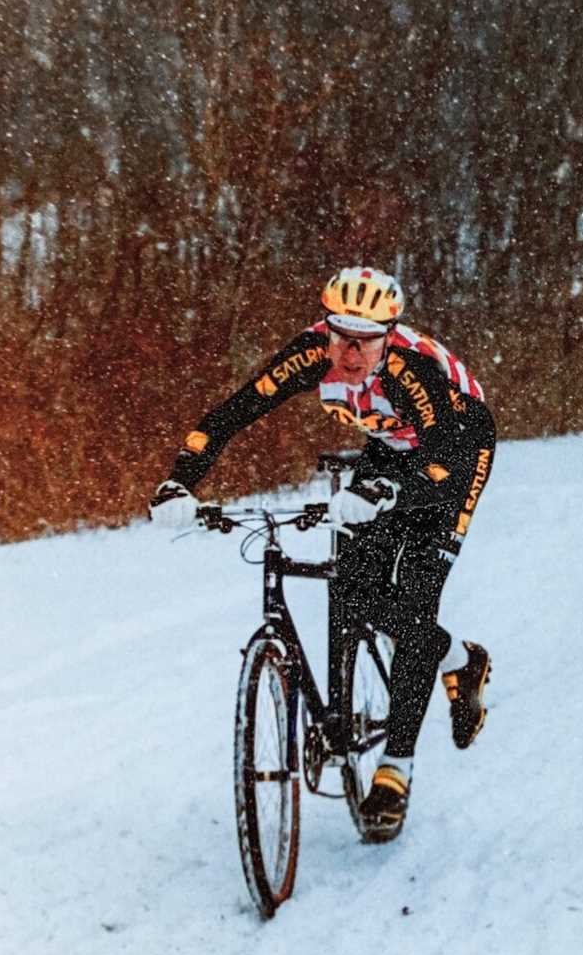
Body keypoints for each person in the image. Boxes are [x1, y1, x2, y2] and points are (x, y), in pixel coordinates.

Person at [150, 266, 494, 842]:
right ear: (326, 330)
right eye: (341, 337)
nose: (351, 353)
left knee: (414, 597)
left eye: (365, 341)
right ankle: (449, 654)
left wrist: (387, 493)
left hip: (456, 454)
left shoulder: (413, 370)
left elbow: (440, 456)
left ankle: (397, 765)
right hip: (389, 446)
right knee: (353, 590)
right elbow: (233, 412)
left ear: (388, 335)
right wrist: (179, 481)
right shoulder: (313, 354)